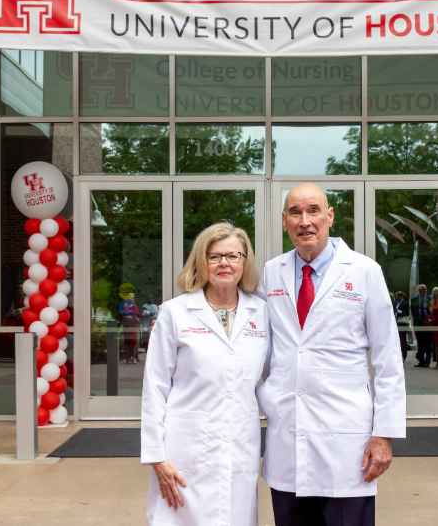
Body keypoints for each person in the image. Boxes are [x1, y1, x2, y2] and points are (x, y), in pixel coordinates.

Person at [258, 183, 406, 526]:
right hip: (287, 433)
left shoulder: (364, 271)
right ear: (284, 221)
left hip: (346, 438)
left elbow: (388, 359)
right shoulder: (271, 272)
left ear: (330, 216)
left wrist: (383, 434)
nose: (305, 221)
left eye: (313, 211)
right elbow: (262, 347)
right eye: (295, 212)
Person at [140, 222, 267, 526]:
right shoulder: (174, 313)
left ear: (245, 262)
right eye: (214, 256)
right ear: (202, 262)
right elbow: (155, 388)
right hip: (184, 447)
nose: (224, 263)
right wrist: (157, 456)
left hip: (240, 442)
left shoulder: (262, 313)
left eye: (233, 256)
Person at [410, 284, 433, 367]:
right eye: (423, 289)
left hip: (427, 323)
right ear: (419, 290)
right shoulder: (414, 299)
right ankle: (421, 361)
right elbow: (413, 310)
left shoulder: (430, 298)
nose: (425, 290)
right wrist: (417, 317)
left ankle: (427, 361)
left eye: (426, 289)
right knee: (420, 342)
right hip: (418, 322)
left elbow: (432, 310)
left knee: (428, 342)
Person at [120, 297, 141, 363]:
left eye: (132, 298)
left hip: (134, 326)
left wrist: (137, 319)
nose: (131, 299)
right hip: (127, 326)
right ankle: (127, 359)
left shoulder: (135, 306)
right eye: (130, 298)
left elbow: (138, 315)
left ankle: (134, 358)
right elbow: (122, 317)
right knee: (127, 344)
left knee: (133, 344)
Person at [394, 291, 410, 361]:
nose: (398, 298)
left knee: (402, 340)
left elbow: (406, 313)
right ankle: (399, 355)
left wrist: (398, 311)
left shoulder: (405, 303)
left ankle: (404, 355)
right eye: (397, 297)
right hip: (397, 323)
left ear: (402, 296)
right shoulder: (397, 303)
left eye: (399, 297)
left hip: (403, 323)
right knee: (398, 340)